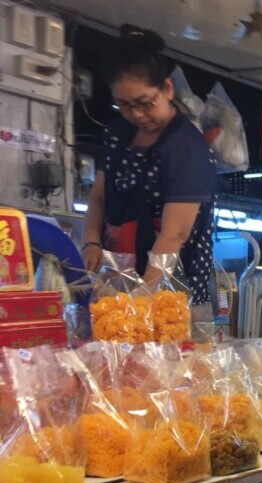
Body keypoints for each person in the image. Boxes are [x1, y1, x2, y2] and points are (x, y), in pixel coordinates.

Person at [81, 25, 216, 322]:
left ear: (166, 88)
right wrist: (90, 241)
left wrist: (142, 298)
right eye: (125, 105)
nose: (137, 115)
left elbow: (175, 234)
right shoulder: (117, 134)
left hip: (173, 294)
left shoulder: (185, 147)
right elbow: (99, 198)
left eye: (144, 103)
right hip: (118, 282)